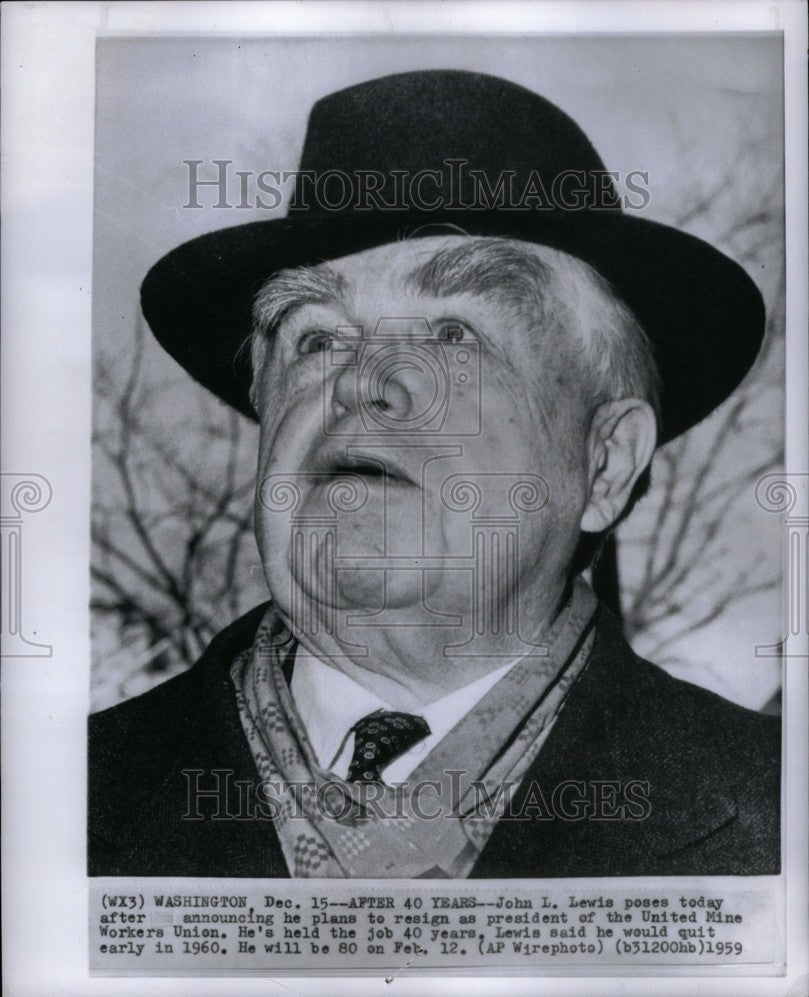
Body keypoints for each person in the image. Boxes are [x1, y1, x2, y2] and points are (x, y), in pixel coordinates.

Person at [89, 70, 779, 878]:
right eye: (315, 339)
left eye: (454, 334)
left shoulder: (773, 814)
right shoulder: (55, 802)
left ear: (603, 463)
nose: (358, 380)